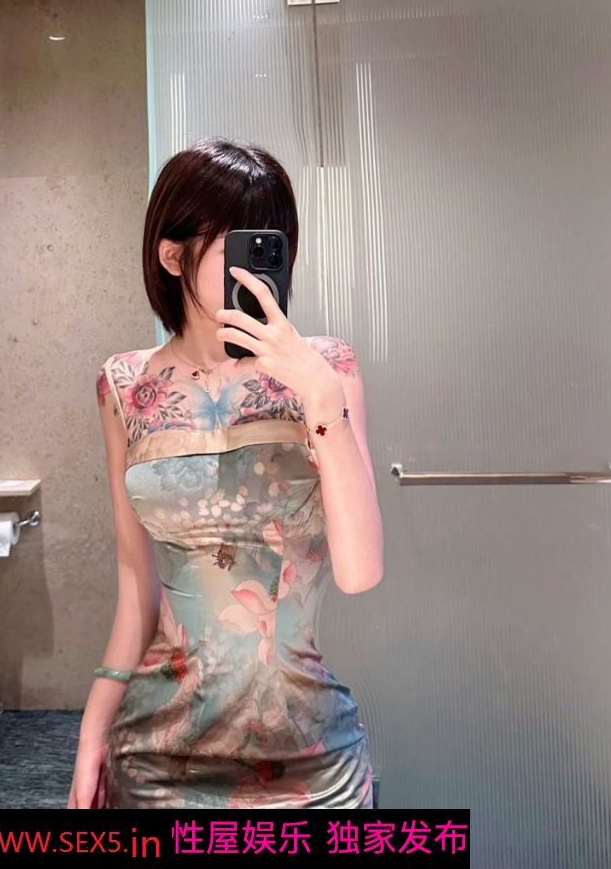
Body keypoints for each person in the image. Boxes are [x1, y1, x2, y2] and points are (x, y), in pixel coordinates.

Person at [68, 137, 384, 809]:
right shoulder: (125, 385)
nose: (260, 266)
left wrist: (320, 399)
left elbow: (360, 572)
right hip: (156, 753)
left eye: (273, 244)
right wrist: (92, 731)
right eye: (239, 244)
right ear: (172, 255)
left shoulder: (328, 370)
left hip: (310, 760)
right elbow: (136, 583)